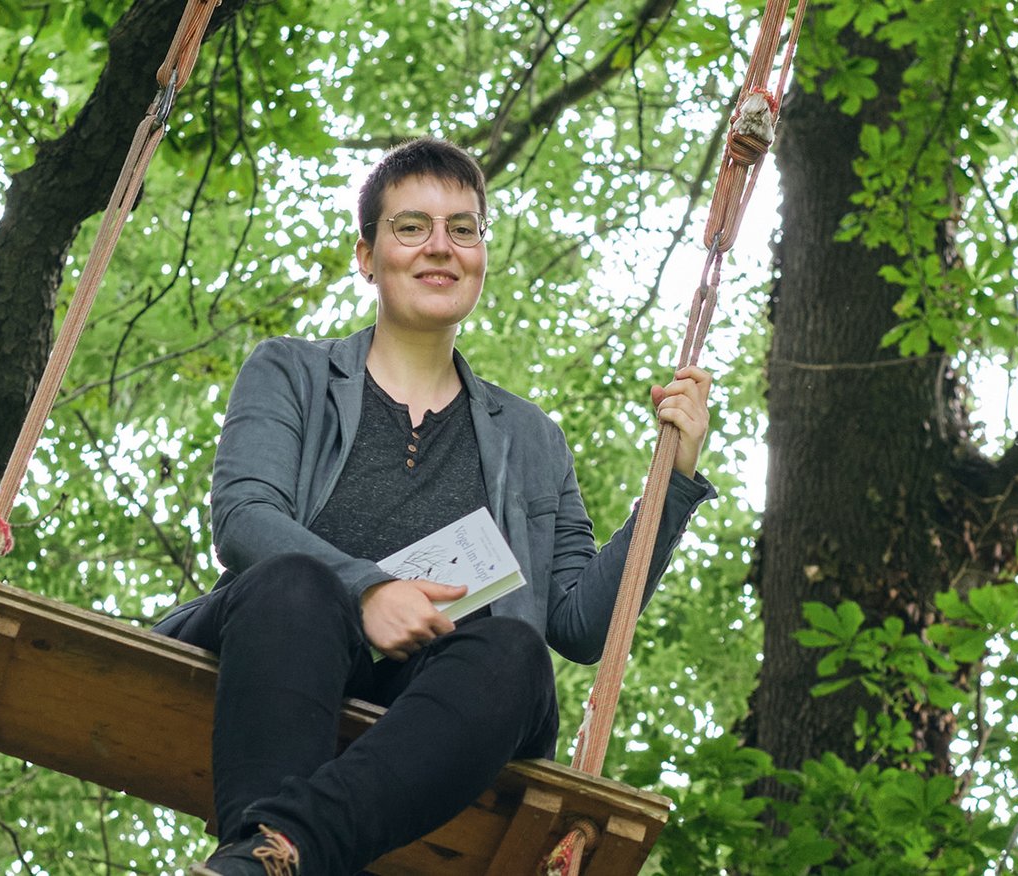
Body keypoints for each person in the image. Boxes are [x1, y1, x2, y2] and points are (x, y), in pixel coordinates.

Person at [152, 138, 718, 876]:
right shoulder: (290, 371)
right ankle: (271, 853)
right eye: (412, 227)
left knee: (517, 655)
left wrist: (670, 483)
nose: (440, 248)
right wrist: (370, 590)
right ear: (367, 256)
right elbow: (244, 516)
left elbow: (582, 625)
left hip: (437, 698)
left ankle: (269, 856)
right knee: (297, 580)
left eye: (464, 228)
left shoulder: (533, 440)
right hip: (282, 643)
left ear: (483, 255)